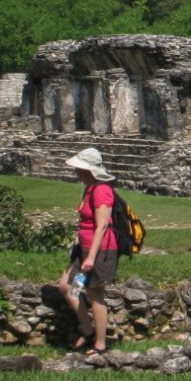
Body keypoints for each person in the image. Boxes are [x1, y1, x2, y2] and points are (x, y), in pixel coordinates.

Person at [56, 148, 118, 354]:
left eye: (79, 168)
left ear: (89, 170)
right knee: (66, 286)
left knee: (94, 293)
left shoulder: (101, 190)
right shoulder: (89, 188)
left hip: (100, 250)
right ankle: (88, 328)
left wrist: (91, 256)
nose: (76, 171)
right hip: (83, 247)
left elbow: (101, 226)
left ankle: (100, 343)